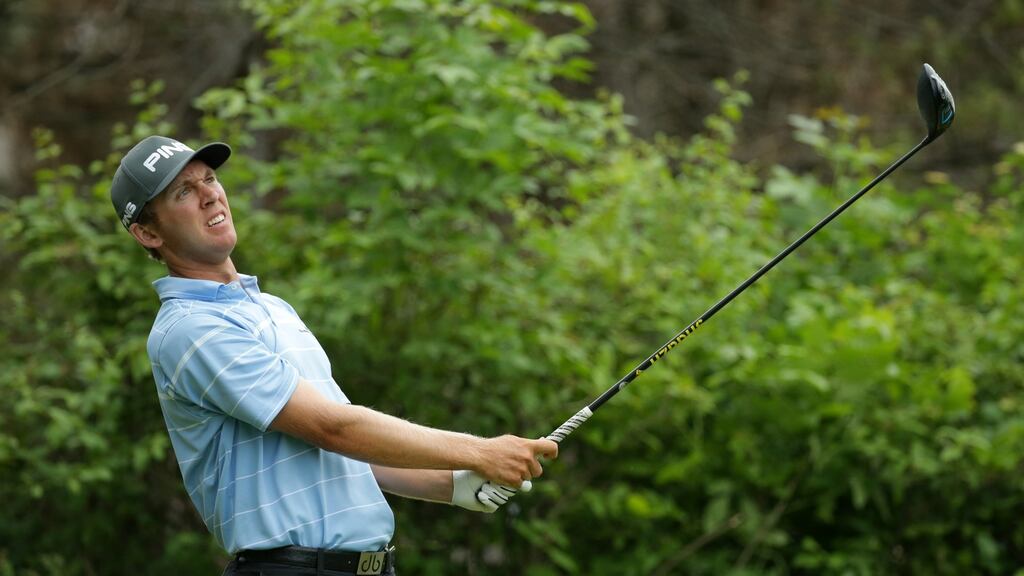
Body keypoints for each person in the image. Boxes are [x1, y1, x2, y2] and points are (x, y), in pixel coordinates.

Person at [110, 136, 558, 575]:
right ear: (148, 233)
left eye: (209, 179)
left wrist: (453, 484)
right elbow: (334, 428)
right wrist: (479, 452)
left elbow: (344, 448)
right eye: (184, 192)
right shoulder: (189, 329)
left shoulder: (273, 309)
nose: (210, 195)